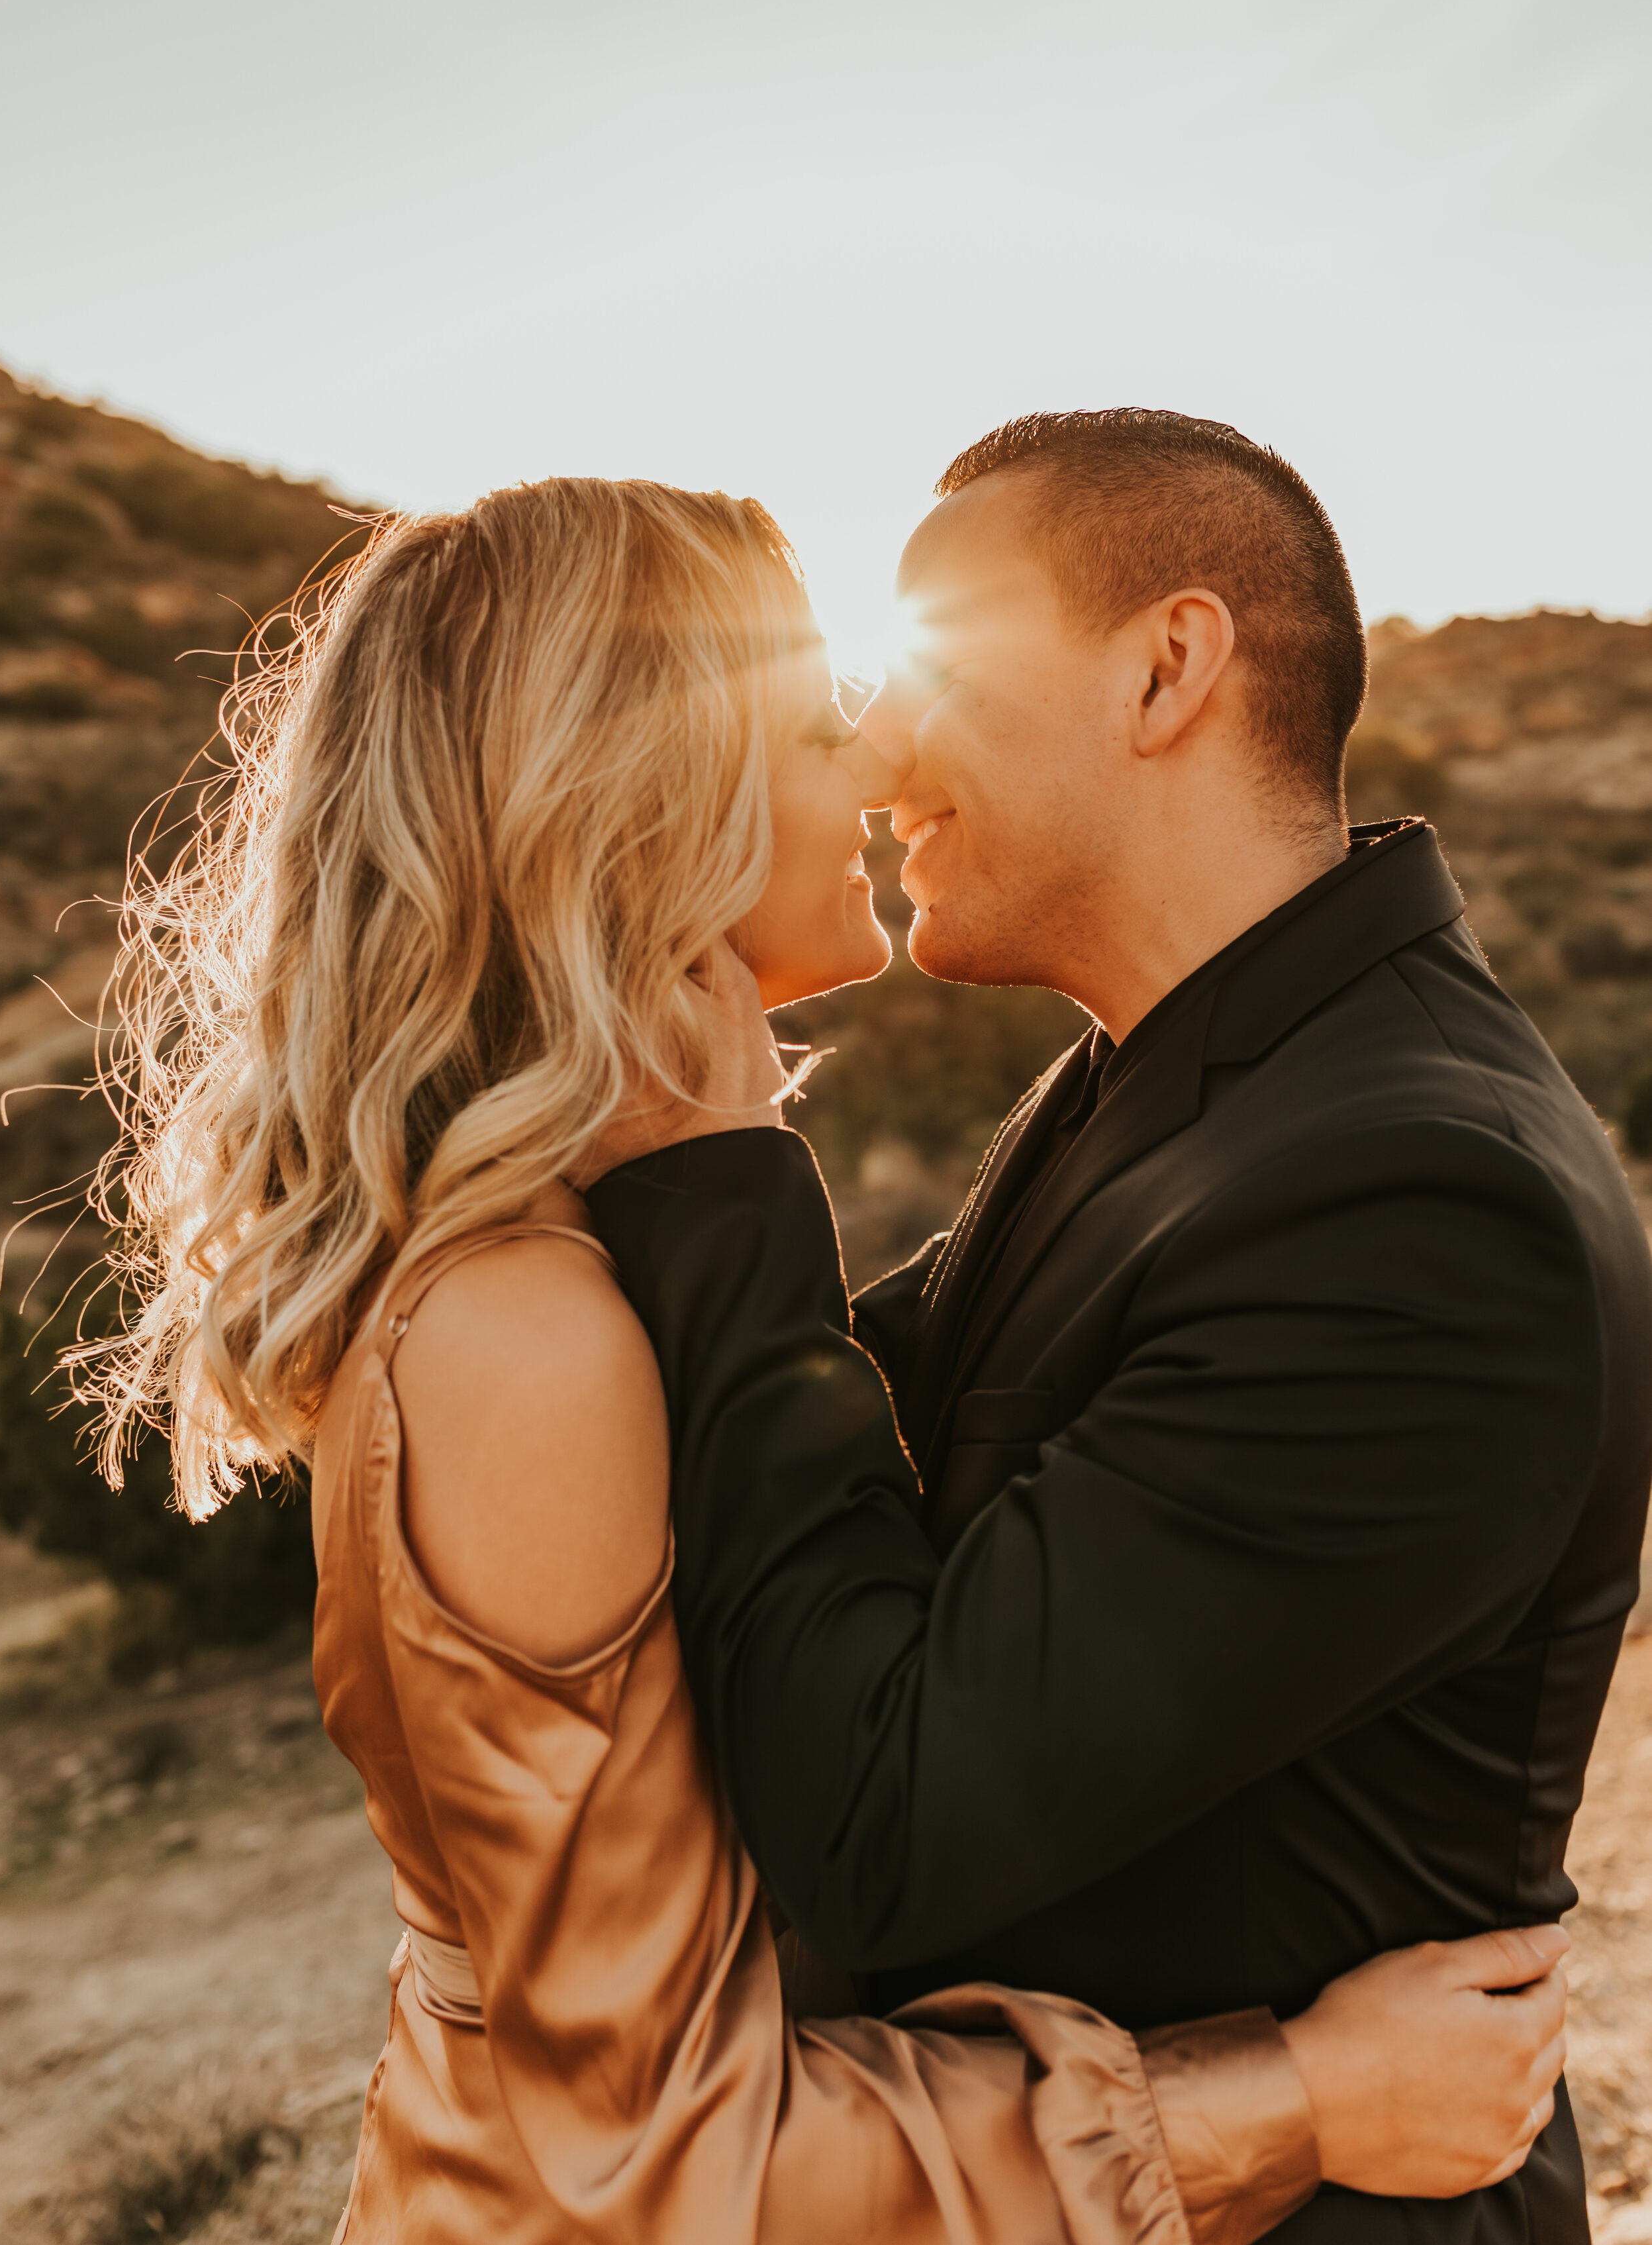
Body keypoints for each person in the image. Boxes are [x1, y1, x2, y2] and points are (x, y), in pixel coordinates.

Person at [77, 475, 1567, 2244]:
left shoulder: (577, 1261)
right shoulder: (525, 1330)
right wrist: (1291, 2098)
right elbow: (658, 2156)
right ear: (626, 793)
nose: (866, 765)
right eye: (803, 717)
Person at [585, 413, 1652, 2245]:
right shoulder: (1181, 1083)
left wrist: (716, 1163)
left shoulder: (1415, 1200)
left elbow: (875, 1826)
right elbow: (841, 1451)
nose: (873, 743)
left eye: (934, 663)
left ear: (1166, 668)